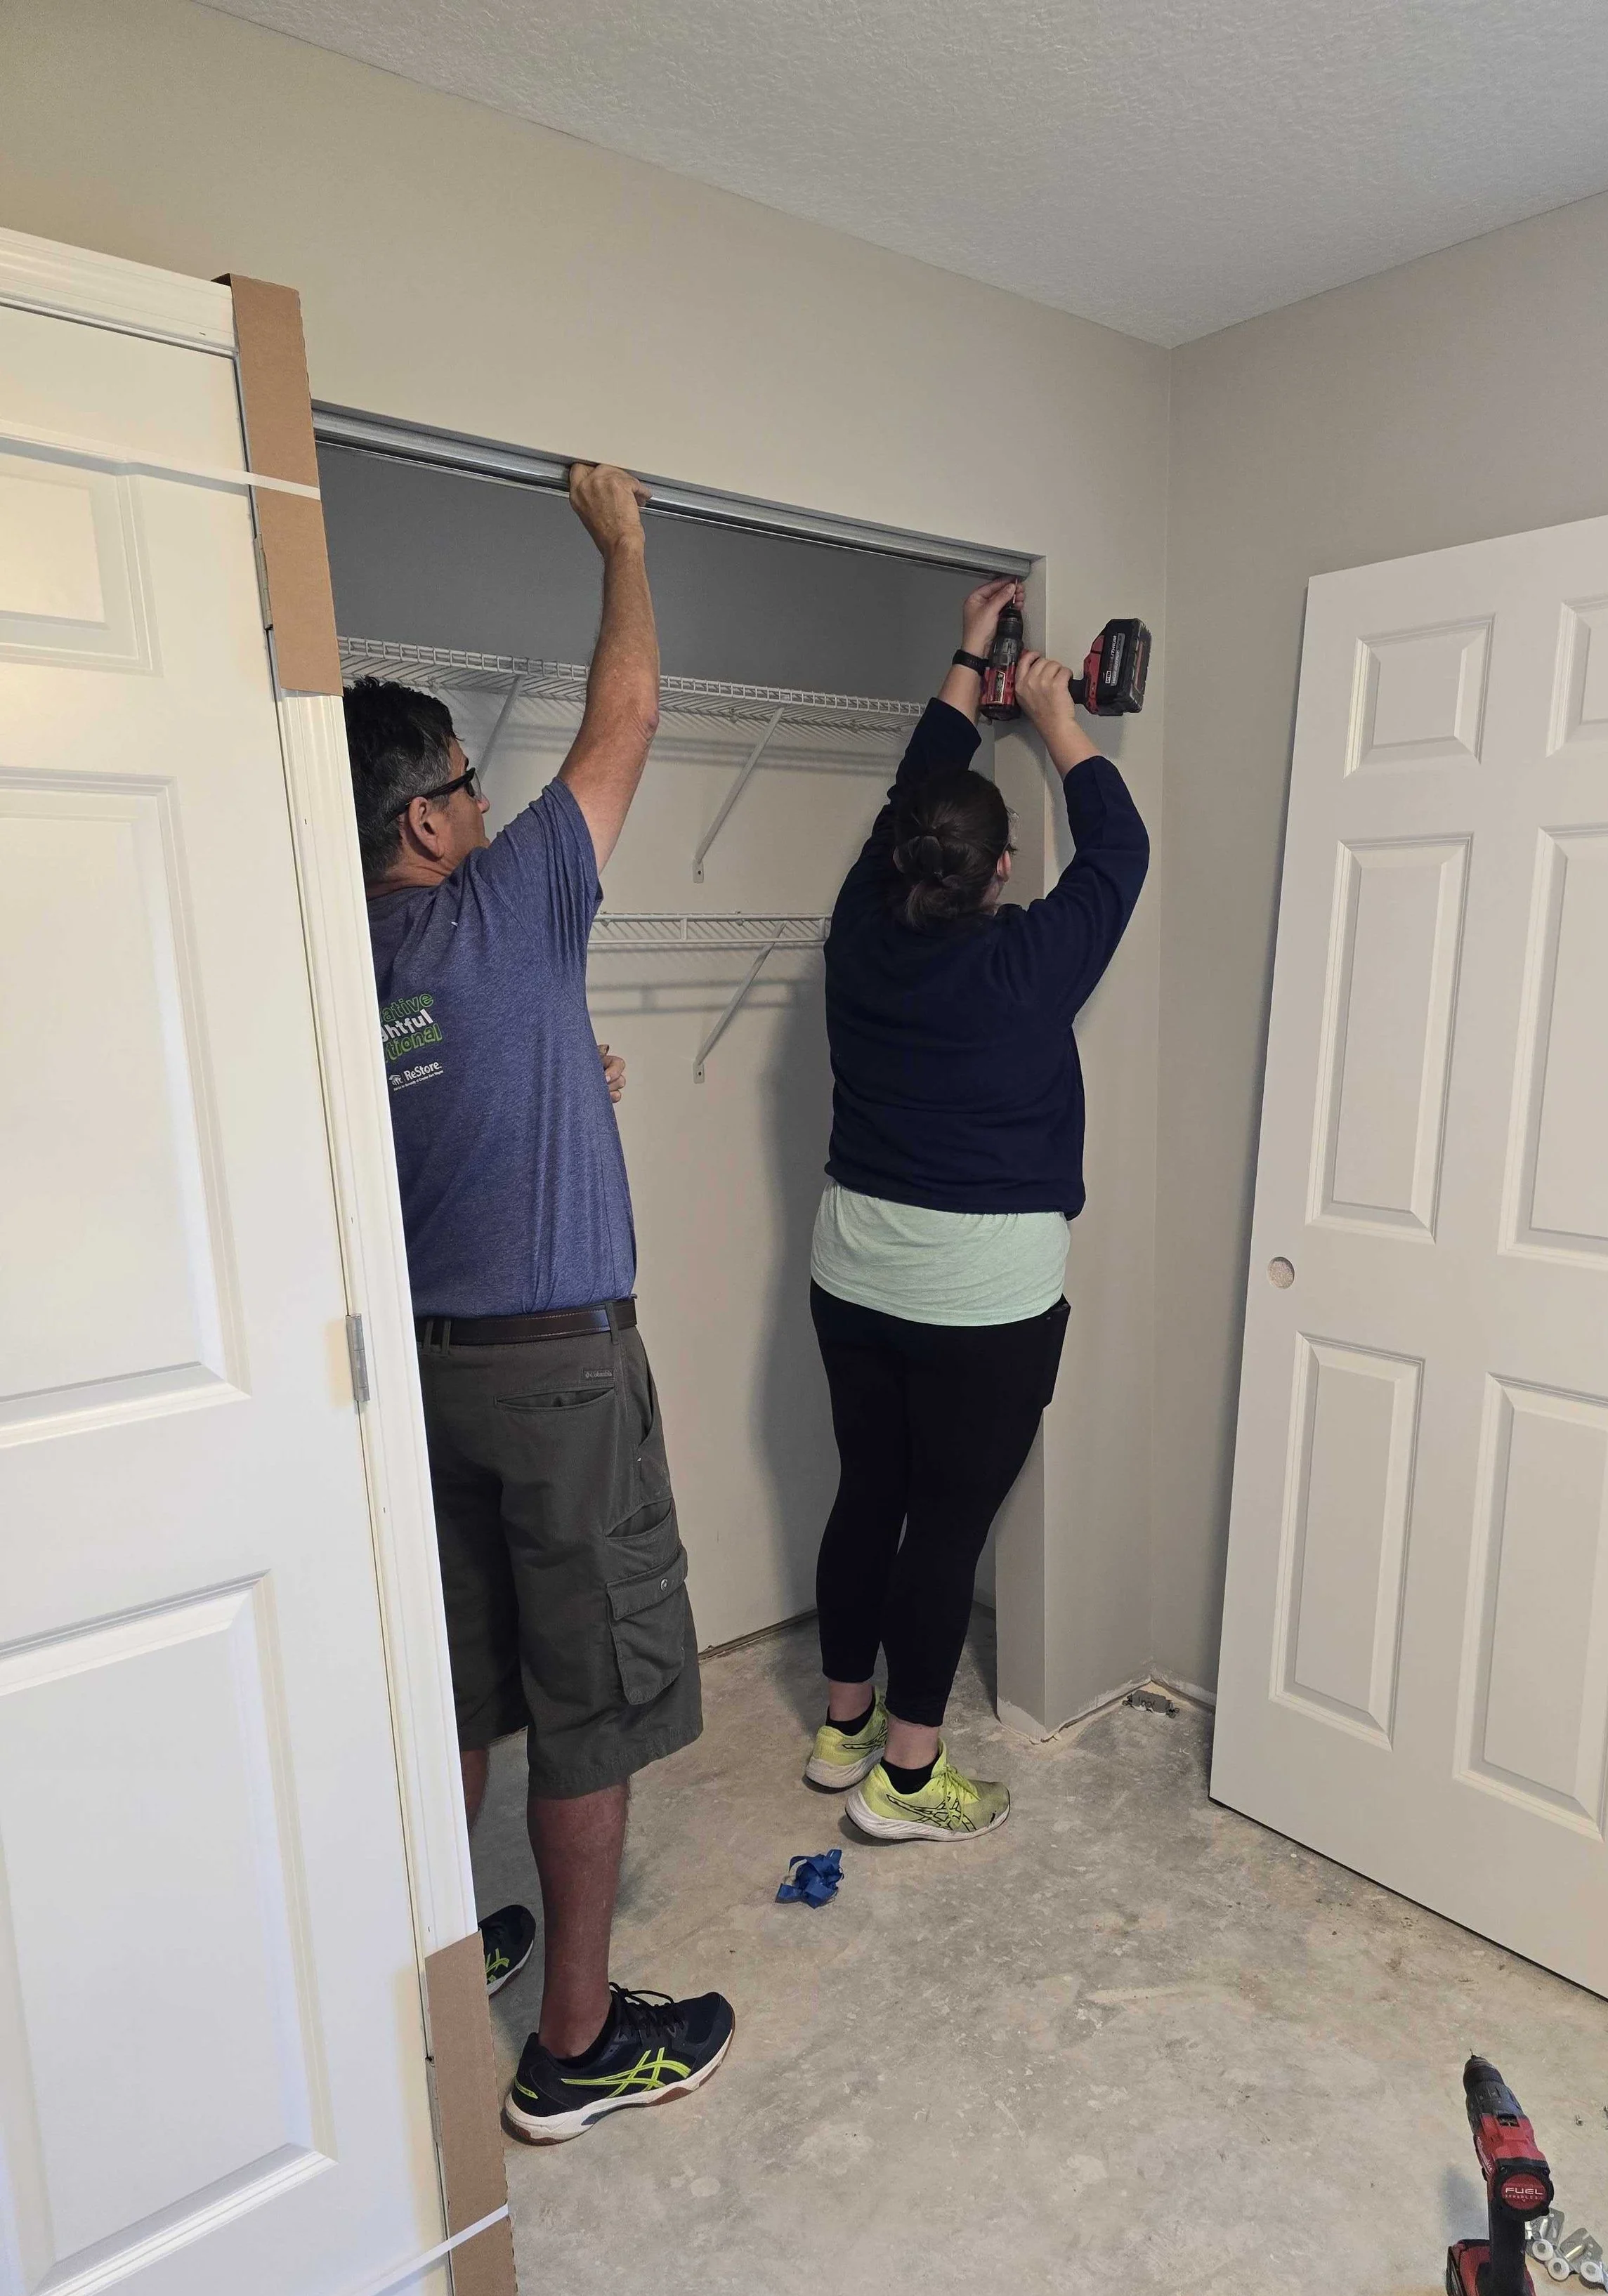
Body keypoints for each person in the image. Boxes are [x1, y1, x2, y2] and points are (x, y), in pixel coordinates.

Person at [344, 462, 734, 2144]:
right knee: (588, 1700)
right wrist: (622, 540)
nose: (486, 800)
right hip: (561, 1389)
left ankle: (452, 1965)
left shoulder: (333, 961)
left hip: (422, 1386)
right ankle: (574, 2043)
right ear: (427, 825)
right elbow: (627, 712)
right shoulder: (504, 909)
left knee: (461, 1685)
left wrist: (564, 1071)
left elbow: (432, 1109)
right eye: (463, 780)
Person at [804, 577, 1149, 1840]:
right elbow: (1120, 853)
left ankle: (843, 1730)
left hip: (854, 1273)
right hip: (982, 1302)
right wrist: (1058, 719)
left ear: (898, 857)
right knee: (944, 1528)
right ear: (1002, 871)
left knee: (867, 1495)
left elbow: (913, 793)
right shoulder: (1025, 962)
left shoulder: (856, 931)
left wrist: (966, 661)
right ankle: (908, 1781)